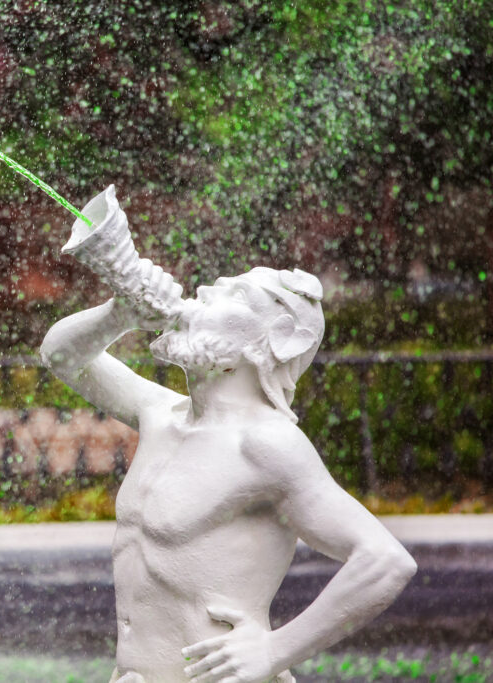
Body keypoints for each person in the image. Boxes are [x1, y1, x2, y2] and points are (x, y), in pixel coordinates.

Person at [40, 187, 416, 683]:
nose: (204, 292)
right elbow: (62, 357)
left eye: (234, 295)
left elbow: (386, 561)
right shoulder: (161, 414)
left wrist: (276, 650)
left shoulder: (265, 444)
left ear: (277, 338)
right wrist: (120, 314)